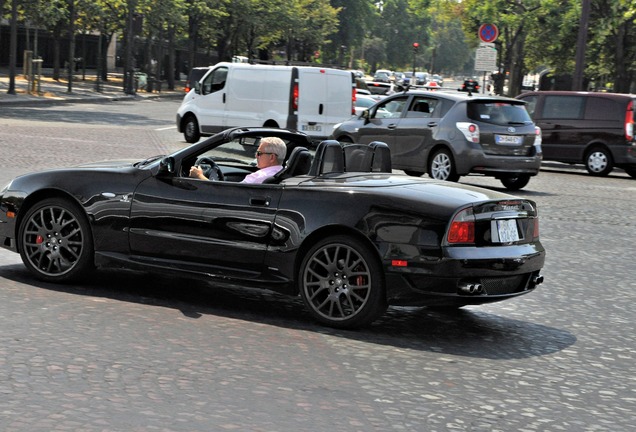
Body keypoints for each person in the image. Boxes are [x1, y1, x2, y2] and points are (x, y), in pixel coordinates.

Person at [189, 136, 287, 184]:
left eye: (259, 153)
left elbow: (226, 193)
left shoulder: (259, 177)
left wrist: (199, 175)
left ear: (272, 157)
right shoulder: (283, 173)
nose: (256, 156)